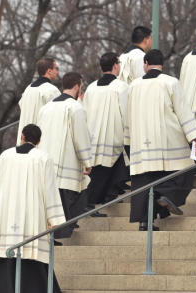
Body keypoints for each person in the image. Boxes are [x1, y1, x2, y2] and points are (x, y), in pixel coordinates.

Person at [0, 124, 65, 293]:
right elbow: (49, 189)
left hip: (6, 214)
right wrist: (54, 219)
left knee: (5, 250)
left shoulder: (5, 156)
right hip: (31, 216)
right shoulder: (43, 158)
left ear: (22, 136)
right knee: (31, 251)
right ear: (39, 141)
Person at [125, 49, 196, 231]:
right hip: (168, 139)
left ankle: (145, 222)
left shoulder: (133, 86)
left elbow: (128, 115)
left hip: (142, 142)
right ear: (162, 64)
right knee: (183, 169)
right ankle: (164, 197)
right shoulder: (170, 82)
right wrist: (195, 135)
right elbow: (182, 111)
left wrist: (127, 140)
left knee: (144, 181)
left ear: (145, 64)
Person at [38, 72, 92, 240]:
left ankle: (54, 234)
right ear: (77, 86)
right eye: (81, 86)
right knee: (72, 197)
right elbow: (80, 136)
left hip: (47, 161)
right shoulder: (75, 107)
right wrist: (87, 161)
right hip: (67, 162)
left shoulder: (45, 108)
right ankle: (60, 234)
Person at [82, 52, 129, 216]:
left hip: (92, 134)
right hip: (112, 133)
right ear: (116, 65)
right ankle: (92, 201)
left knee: (101, 167)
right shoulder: (121, 87)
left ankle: (109, 195)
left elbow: (85, 111)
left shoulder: (91, 87)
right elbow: (126, 111)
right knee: (110, 166)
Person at [16, 57, 61, 145]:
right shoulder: (51, 90)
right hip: (41, 139)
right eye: (56, 69)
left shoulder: (28, 89)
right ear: (49, 71)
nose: (57, 72)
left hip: (24, 138)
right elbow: (57, 114)